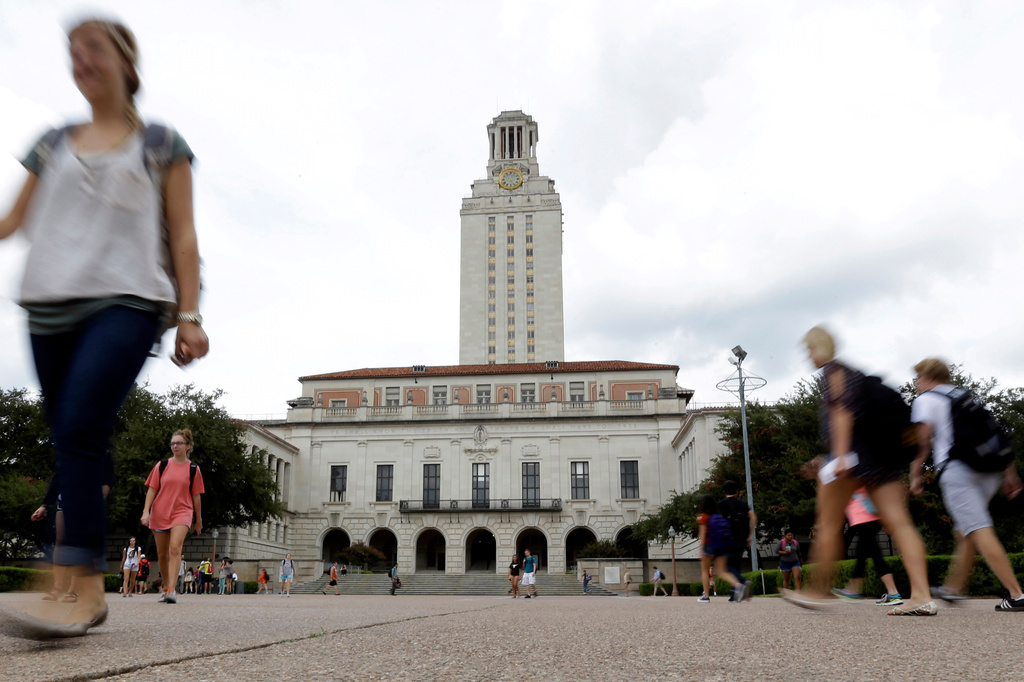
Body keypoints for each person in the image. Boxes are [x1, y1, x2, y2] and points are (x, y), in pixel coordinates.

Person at [0, 16, 208, 639]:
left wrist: (190, 315)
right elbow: (12, 221)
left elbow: (184, 234)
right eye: (72, 51)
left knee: (84, 423)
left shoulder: (161, 143)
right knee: (70, 435)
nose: (80, 59)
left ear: (125, 61)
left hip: (128, 301)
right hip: (49, 304)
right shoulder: (54, 141)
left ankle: (80, 587)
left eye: (93, 48)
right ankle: (79, 586)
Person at [783, 327, 935, 615]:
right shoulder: (856, 374)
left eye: (809, 349)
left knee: (827, 524)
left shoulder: (834, 371)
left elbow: (842, 412)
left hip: (853, 460)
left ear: (820, 348)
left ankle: (818, 591)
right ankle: (922, 596)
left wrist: (838, 457)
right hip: (881, 462)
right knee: (901, 524)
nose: (808, 355)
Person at [910, 358, 1024, 611]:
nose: (916, 382)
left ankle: (1017, 595)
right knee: (965, 532)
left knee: (978, 529)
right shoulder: (965, 397)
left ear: (928, 377)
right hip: (989, 473)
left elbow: (923, 443)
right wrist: (1010, 473)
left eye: (918, 377)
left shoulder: (926, 400)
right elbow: (994, 433)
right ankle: (954, 588)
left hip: (957, 471)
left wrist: (915, 473)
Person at [141, 429, 205, 605]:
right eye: (173, 443)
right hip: (160, 512)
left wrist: (198, 520)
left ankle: (171, 589)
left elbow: (196, 496)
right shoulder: (161, 466)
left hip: (183, 512)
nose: (175, 446)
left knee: (175, 548)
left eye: (179, 443)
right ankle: (165, 587)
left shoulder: (193, 469)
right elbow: (152, 489)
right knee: (162, 554)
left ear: (188, 446)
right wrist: (146, 512)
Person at [830, 490, 904, 606]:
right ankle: (890, 593)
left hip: (865, 516)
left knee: (870, 554)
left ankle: (856, 590)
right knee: (866, 553)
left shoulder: (853, 474)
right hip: (866, 516)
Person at [697, 494, 751, 603]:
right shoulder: (719, 515)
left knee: (704, 570)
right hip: (722, 546)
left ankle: (706, 596)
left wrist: (701, 548)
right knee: (722, 571)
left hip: (708, 546)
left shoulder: (703, 516)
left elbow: (702, 534)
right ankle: (738, 585)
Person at [719, 480, 757, 583]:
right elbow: (753, 518)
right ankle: (736, 593)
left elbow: (719, 521)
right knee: (737, 564)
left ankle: (742, 582)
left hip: (728, 538)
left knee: (726, 566)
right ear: (737, 491)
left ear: (724, 491)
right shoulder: (742, 503)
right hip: (742, 538)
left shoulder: (722, 504)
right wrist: (749, 535)